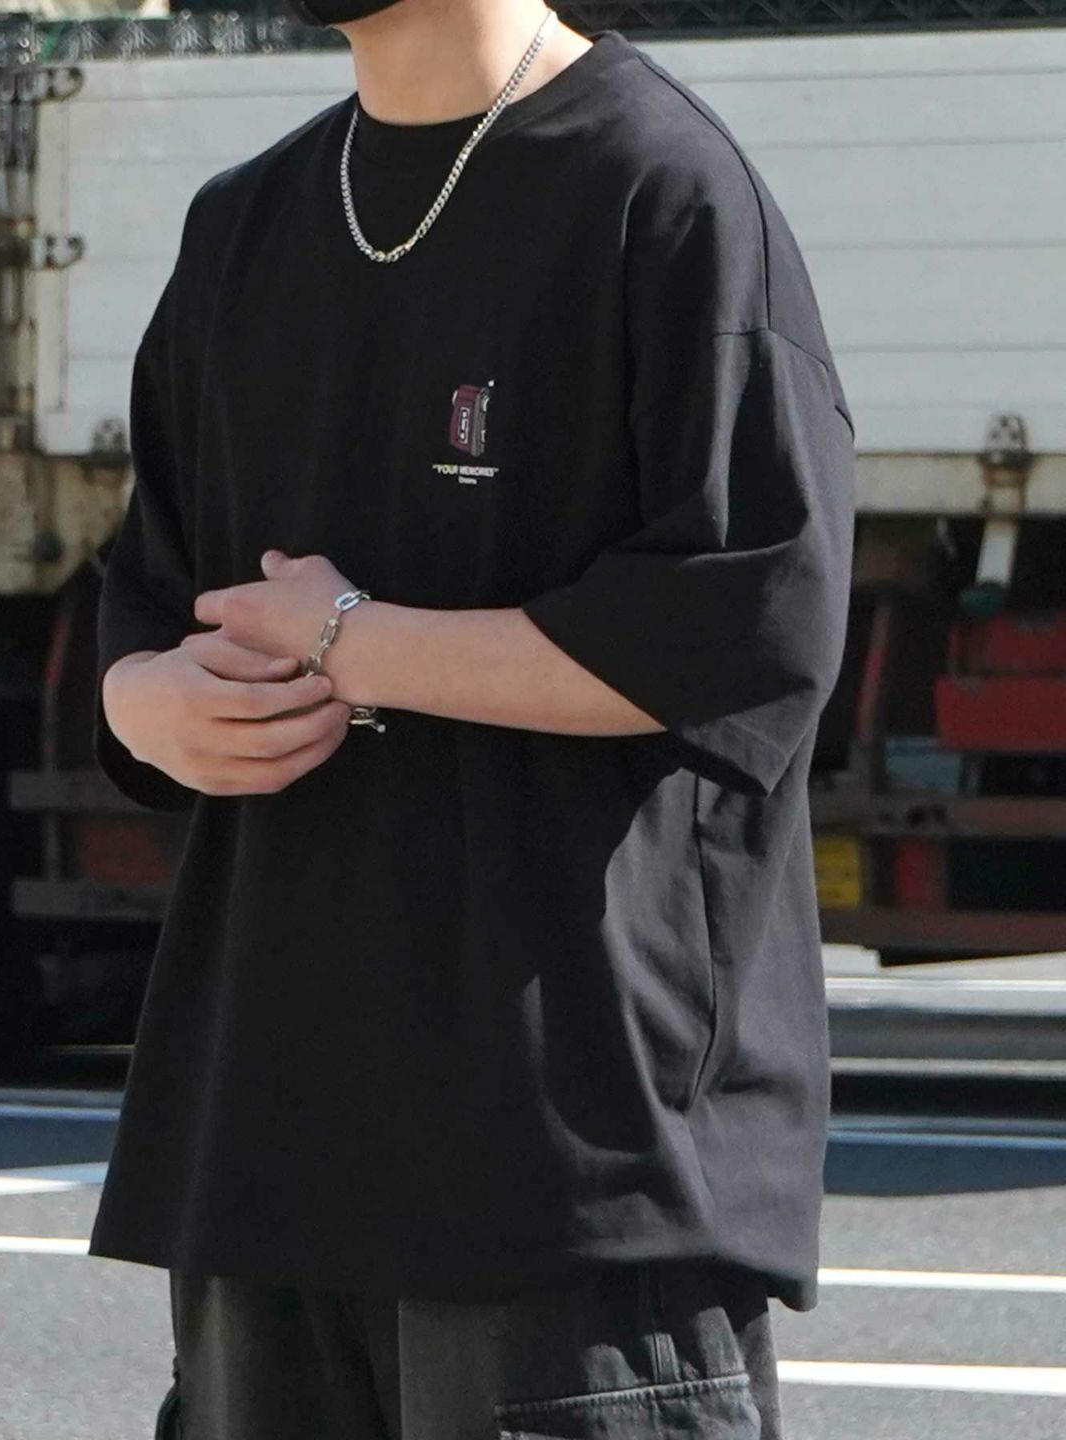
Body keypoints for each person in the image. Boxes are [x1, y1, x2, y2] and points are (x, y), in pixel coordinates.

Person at [89, 1, 857, 1436]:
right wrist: (147, 706)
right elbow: (149, 596)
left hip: (570, 1167)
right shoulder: (245, 223)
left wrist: (354, 641)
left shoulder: (662, 191)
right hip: (265, 1151)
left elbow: (749, 630)